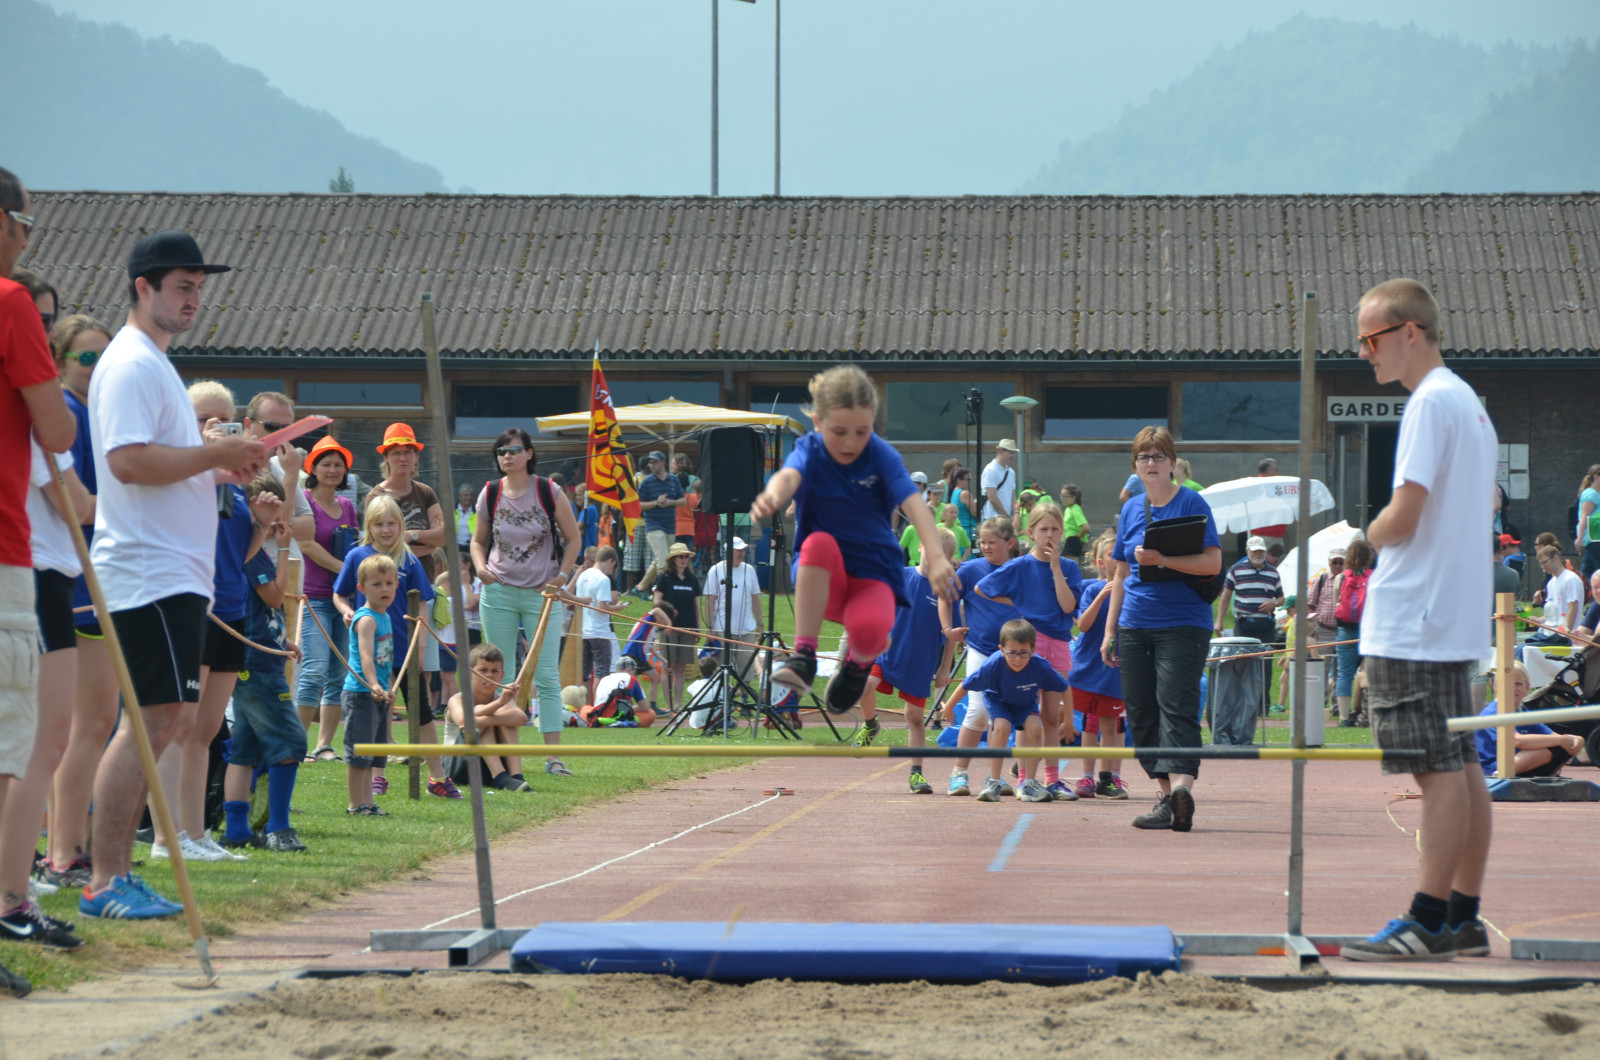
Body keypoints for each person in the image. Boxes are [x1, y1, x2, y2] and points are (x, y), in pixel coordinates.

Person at [81, 230, 264, 921]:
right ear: (144, 288)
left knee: (163, 720)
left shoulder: (156, 363)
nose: (193, 299)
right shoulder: (130, 363)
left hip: (174, 568)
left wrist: (223, 460)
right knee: (151, 720)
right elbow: (127, 463)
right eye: (181, 286)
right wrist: (213, 456)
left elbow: (157, 463)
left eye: (198, 287)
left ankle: (115, 872)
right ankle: (104, 878)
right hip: (146, 568)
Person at [1338, 278, 1498, 963]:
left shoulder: (1430, 404)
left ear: (1411, 331)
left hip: (1416, 616)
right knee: (1459, 765)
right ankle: (1460, 915)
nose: (1366, 353)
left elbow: (1402, 517)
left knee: (1436, 769)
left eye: (1372, 339)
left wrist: (1367, 532)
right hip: (1449, 612)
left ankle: (1428, 918)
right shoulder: (1468, 404)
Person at [759, 365, 956, 713]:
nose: (851, 443)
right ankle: (803, 655)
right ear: (818, 422)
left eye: (862, 432)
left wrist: (938, 556)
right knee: (819, 542)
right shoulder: (811, 450)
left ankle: (859, 664)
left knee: (870, 631)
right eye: (839, 432)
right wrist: (774, 495)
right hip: (823, 575)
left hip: (871, 575)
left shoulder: (881, 456)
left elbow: (913, 503)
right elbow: (788, 475)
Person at [147, 380, 257, 864]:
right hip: (187, 607)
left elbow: (236, 555)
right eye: (202, 420)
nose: (214, 428)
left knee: (207, 729)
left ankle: (195, 831)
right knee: (178, 723)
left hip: (228, 608)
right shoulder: (178, 473)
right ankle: (164, 836)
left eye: (225, 420)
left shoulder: (229, 484)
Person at [1100, 425, 1221, 833]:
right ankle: (1171, 798)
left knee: (1177, 704)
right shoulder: (1132, 508)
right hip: (1134, 624)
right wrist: (1109, 630)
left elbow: (1212, 564)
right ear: (1135, 466)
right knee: (1141, 712)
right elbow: (1119, 574)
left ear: (1172, 463)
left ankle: (1182, 789)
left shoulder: (1193, 502)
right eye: (1143, 457)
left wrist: (1163, 562)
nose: (1150, 464)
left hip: (1184, 623)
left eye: (1157, 456)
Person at [0, 431, 92, 952]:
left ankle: (14, 896)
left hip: (48, 574)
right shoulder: (40, 432)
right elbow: (78, 504)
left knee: (42, 742)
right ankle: (12, 899)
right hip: (34, 573)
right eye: (83, 358)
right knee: (38, 743)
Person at [37, 317, 114, 891]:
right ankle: (64, 850)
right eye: (86, 359)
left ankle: (70, 845)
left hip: (96, 578)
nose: (95, 370)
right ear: (60, 361)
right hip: (82, 582)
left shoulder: (92, 414)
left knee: (93, 722)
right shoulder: (69, 415)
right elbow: (84, 502)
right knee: (86, 724)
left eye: (102, 360)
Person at [470, 428, 582, 776]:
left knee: (546, 675)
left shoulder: (549, 490)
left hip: (542, 592)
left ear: (530, 454)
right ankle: (502, 755)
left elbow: (574, 539)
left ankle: (553, 757)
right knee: (495, 676)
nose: (507, 456)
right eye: (501, 451)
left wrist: (561, 577)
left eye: (514, 450)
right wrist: (480, 568)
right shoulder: (489, 492)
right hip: (499, 590)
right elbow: (477, 542)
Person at [333, 494, 456, 798]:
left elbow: (423, 605)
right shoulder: (356, 556)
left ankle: (437, 776)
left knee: (422, 711)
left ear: (400, 526)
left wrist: (421, 644)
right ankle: (378, 775)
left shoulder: (409, 559)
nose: (386, 530)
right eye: (379, 524)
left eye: (391, 523)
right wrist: (346, 610)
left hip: (405, 646)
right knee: (376, 712)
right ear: (369, 526)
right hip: (373, 652)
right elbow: (340, 594)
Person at [217, 474, 308, 853]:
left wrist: (282, 640)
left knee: (246, 749)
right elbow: (274, 598)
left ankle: (237, 829)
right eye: (271, 510)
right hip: (255, 663)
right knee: (291, 739)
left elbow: (259, 611)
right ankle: (278, 827)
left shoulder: (252, 549)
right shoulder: (254, 553)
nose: (276, 520)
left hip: (257, 653)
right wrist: (285, 549)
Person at [976, 499, 1083, 797]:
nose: (1050, 535)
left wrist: (1056, 568)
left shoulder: (1070, 567)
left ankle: (1051, 779)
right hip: (1029, 645)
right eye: (1043, 529)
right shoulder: (1019, 566)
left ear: (1062, 533)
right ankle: (1025, 779)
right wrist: (1017, 603)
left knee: (1051, 716)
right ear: (1030, 532)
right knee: (1025, 713)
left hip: (1059, 642)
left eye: (1055, 529)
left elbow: (1068, 605)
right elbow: (982, 588)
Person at [853, 527, 960, 775]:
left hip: (920, 662)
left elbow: (951, 634)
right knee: (864, 685)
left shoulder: (946, 590)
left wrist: (945, 668)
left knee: (913, 717)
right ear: (920, 547)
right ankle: (871, 725)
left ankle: (916, 773)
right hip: (888, 653)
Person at [938, 516, 1022, 796]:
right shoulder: (972, 570)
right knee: (977, 711)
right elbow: (945, 596)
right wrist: (948, 628)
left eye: (991, 542)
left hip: (1015, 655)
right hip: (981, 649)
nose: (985, 546)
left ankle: (995, 778)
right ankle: (959, 773)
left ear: (1009, 543)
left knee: (1005, 717)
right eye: (981, 542)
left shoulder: (1020, 570)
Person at [367, 423, 445, 713]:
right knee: (386, 667)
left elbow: (442, 537)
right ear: (386, 457)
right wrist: (423, 541)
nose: (403, 458)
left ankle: (417, 741)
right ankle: (385, 741)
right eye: (396, 452)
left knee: (421, 667)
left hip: (422, 587)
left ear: (416, 458)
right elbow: (380, 544)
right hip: (388, 592)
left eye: (408, 452)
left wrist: (408, 536)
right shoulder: (376, 496)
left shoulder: (424, 492)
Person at [947, 619, 1068, 803]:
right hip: (998, 700)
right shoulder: (993, 664)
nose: (1017, 659)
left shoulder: (1040, 666)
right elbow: (966, 685)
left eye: (1023, 653)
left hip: (1025, 702)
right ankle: (993, 782)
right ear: (1001, 649)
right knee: (1002, 727)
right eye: (1011, 653)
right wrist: (948, 707)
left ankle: (1029, 784)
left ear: (1033, 650)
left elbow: (1064, 687)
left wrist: (1067, 718)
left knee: (1035, 728)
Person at [297, 435, 359, 760]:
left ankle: (324, 745)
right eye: (326, 464)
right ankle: (296, 745)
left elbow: (356, 544)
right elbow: (307, 544)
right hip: (313, 597)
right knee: (314, 670)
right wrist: (348, 568)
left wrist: (351, 577)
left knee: (339, 674)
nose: (333, 470)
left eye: (339, 465)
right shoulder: (303, 501)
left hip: (343, 599)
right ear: (313, 468)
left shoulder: (347, 505)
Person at [1068, 530, 1129, 800]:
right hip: (1087, 666)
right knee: (1087, 723)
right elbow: (1082, 625)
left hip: (1115, 670)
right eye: (1111, 556)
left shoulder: (1132, 589)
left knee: (1111, 724)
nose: (1118, 560)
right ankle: (1087, 777)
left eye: (1121, 556)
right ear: (1100, 561)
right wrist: (1102, 596)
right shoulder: (1091, 588)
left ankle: (1109, 778)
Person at [342, 554, 398, 816]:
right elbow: (365, 656)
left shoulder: (384, 617)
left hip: (378, 693)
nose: (384, 589)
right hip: (361, 693)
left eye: (389, 583)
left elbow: (384, 659)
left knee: (374, 752)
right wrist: (374, 684)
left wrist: (388, 687)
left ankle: (369, 802)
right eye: (377, 584)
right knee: (359, 753)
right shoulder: (367, 619)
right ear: (362, 588)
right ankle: (356, 804)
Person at [1476, 663, 1585, 780]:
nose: (1513, 688)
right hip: (1491, 767)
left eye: (1518, 684)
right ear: (1497, 688)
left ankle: (1544, 775)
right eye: (1508, 684)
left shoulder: (1525, 714)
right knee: (1557, 744)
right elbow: (1516, 740)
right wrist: (1562, 740)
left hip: (1520, 764)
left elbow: (1553, 736)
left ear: (1527, 687)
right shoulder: (1492, 712)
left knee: (1563, 746)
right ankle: (1498, 775)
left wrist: (1578, 740)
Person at [446, 642, 529, 791]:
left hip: (484, 769)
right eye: (483, 670)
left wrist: (491, 717)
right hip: (457, 768)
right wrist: (497, 706)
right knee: (482, 714)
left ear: (501, 675)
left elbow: (521, 717)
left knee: (502, 718)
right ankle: (500, 777)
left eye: (494, 671)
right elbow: (464, 720)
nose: (489, 675)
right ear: (470, 673)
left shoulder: (500, 698)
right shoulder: (457, 699)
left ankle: (516, 776)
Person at [701, 537, 764, 680]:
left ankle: (744, 698)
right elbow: (710, 600)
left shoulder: (750, 570)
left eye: (743, 550)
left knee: (746, 671)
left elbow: (755, 599)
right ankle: (723, 699)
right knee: (722, 672)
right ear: (728, 552)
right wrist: (710, 627)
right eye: (738, 551)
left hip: (746, 629)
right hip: (722, 630)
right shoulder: (715, 570)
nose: (742, 553)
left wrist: (760, 624)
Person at [652, 542, 702, 711]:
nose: (684, 559)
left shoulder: (692, 579)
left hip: (688, 627)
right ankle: (668, 705)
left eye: (686, 557)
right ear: (673, 559)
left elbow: (696, 604)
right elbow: (656, 602)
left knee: (681, 667)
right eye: (681, 556)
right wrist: (667, 617)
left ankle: (678, 704)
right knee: (668, 666)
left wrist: (698, 627)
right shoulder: (664, 577)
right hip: (669, 628)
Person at [1333, 538, 1374, 726]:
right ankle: (1368, 712)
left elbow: (1336, 603)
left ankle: (1343, 717)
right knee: (1369, 671)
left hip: (1346, 629)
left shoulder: (1341, 577)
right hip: (1368, 630)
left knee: (1344, 673)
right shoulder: (1374, 576)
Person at [632, 450, 685, 597]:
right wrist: (656, 503)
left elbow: (683, 501)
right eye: (650, 462)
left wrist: (669, 502)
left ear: (663, 462)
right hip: (653, 526)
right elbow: (638, 505)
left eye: (654, 462)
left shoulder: (674, 480)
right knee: (664, 561)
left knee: (662, 559)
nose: (651, 465)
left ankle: (640, 588)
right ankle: (666, 593)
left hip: (670, 526)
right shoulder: (647, 482)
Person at [1216, 535, 1284, 642]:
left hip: (1266, 625)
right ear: (1247, 551)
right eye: (1254, 551)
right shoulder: (1236, 570)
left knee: (1266, 657)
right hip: (1243, 624)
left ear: (1265, 552)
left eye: (1261, 551)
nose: (1258, 554)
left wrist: (1274, 603)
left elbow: (1281, 599)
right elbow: (1225, 596)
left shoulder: (1273, 572)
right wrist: (1219, 621)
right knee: (1244, 658)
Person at [574, 546, 623, 680]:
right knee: (602, 673)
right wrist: (616, 608)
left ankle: (583, 701)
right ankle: (598, 702)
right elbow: (601, 608)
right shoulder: (603, 579)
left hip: (583, 631)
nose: (611, 571)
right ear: (610, 561)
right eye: (613, 566)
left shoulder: (583, 575)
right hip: (600, 632)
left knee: (583, 675)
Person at [1528, 544, 1582, 646]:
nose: (1543, 567)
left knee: (1524, 649)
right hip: (1551, 634)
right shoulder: (1551, 583)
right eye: (1541, 564)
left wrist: (1566, 634)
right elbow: (1553, 611)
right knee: (1523, 646)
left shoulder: (1571, 579)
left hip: (1566, 638)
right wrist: (1539, 620)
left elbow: (1573, 608)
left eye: (1545, 562)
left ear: (1556, 558)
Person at [1250, 457, 1288, 547]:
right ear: (1268, 471)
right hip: (1263, 534)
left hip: (1276, 533)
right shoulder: (1255, 487)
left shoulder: (1275, 485)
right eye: (1276, 470)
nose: (1278, 473)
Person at [980, 438, 1019, 521]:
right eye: (1010, 452)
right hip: (991, 518)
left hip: (1004, 518)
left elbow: (1013, 496)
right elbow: (992, 498)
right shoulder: (991, 470)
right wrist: (1006, 516)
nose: (1013, 456)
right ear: (1001, 451)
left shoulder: (1011, 472)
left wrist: (1015, 515)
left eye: (1014, 453)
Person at [1577, 466, 1600, 579]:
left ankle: (1588, 594)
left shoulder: (1596, 494)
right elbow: (1584, 516)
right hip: (1594, 538)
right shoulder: (1591, 494)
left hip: (1593, 539)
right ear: (1596, 476)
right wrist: (1579, 538)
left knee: (1587, 572)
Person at [1058, 484, 1090, 559]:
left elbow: (1085, 527)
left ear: (1073, 497)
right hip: (1068, 541)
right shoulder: (1068, 509)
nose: (1062, 499)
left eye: (1065, 497)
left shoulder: (1075, 509)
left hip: (1073, 542)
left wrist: (1076, 538)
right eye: (1061, 496)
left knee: (1070, 565)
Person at [948, 466, 978, 543]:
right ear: (958, 480)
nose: (969, 482)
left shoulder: (953, 492)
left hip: (958, 529)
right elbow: (975, 513)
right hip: (968, 530)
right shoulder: (965, 493)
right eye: (967, 480)